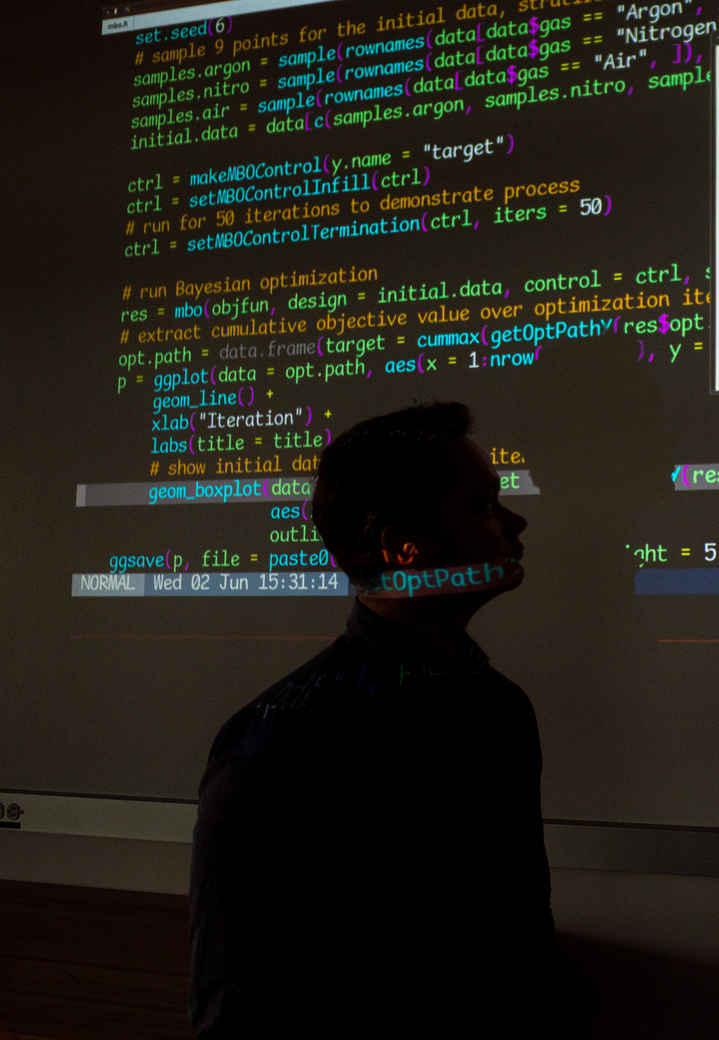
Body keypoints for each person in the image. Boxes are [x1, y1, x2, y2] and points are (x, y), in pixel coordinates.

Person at [188, 401, 559, 1037]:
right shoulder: (282, 738)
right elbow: (235, 999)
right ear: (402, 546)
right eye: (483, 507)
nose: (515, 522)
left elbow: (524, 936)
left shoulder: (502, 708)